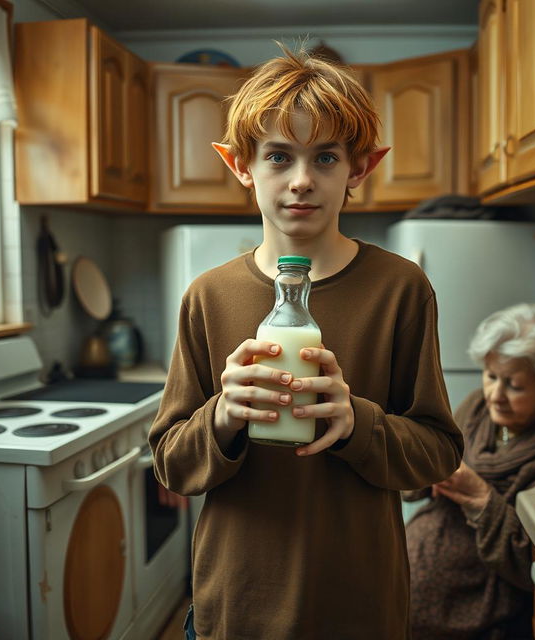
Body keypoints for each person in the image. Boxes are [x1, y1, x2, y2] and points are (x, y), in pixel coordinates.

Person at [149, 43, 464, 640]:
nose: (300, 181)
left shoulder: (401, 288)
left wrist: (358, 423)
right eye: (277, 156)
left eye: (325, 157)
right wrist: (222, 417)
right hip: (236, 608)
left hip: (359, 608)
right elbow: (170, 463)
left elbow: (438, 453)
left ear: (361, 168)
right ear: (241, 164)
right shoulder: (208, 296)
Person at [404, 302, 535, 640]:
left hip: (485, 602)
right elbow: (414, 483)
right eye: (491, 376)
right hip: (414, 563)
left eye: (515, 385)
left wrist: (481, 498)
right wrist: (425, 467)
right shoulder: (478, 407)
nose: (495, 395)